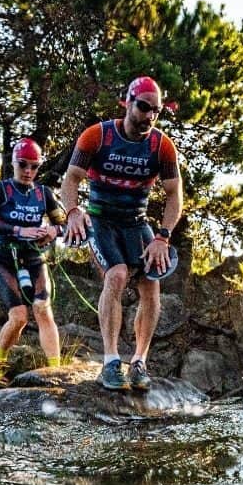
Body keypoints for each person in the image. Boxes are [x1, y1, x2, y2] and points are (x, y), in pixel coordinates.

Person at [61, 76, 183, 391]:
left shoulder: (161, 145)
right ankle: (111, 361)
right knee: (116, 276)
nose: (149, 116)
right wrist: (73, 212)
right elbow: (71, 178)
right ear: (127, 103)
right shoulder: (97, 136)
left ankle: (139, 361)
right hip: (101, 220)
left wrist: (162, 236)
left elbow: (174, 195)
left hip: (136, 222)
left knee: (151, 285)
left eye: (156, 111)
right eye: (143, 107)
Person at [0, 137, 67, 371]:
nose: (28, 171)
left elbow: (65, 224)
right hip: (2, 256)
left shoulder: (43, 193)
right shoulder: (1, 189)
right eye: (23, 164)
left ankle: (55, 372)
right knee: (19, 317)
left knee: (42, 309)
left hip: (33, 257)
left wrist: (52, 230)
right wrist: (18, 230)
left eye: (34, 166)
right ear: (14, 163)